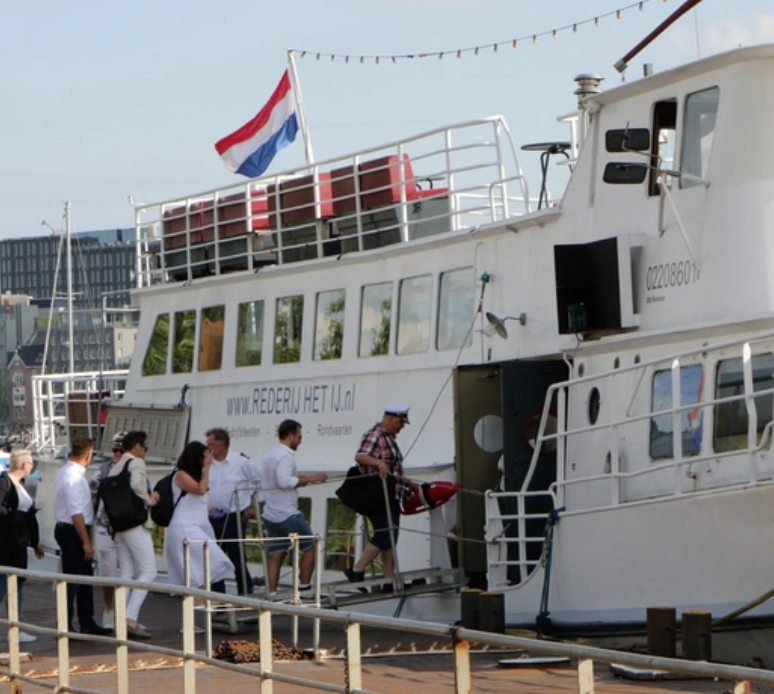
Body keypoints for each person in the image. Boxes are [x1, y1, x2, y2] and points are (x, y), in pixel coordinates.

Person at [344, 406, 411, 589]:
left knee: (390, 539)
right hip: (379, 495)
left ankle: (389, 580)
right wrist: (378, 462)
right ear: (391, 419)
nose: (402, 426)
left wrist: (406, 483)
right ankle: (357, 570)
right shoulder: (376, 435)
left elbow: (392, 469)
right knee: (386, 534)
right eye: (400, 422)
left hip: (391, 494)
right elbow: (360, 456)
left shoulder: (389, 438)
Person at [53, 437, 112, 635]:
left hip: (70, 529)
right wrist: (86, 542)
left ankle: (86, 621)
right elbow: (75, 512)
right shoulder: (74, 477)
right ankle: (67, 624)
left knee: (84, 578)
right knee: (74, 579)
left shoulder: (65, 471)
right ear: (88, 455)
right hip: (73, 530)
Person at [261, 419, 327, 597]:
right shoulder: (286, 456)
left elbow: (283, 478)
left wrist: (308, 478)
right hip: (287, 513)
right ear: (290, 436)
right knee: (310, 545)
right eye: (299, 437)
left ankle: (271, 594)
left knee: (276, 554)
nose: (300, 441)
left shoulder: (269, 456)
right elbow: (285, 481)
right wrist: (312, 479)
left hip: (270, 514)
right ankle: (304, 588)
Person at [105, 430, 158, 639]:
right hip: (135, 524)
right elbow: (137, 484)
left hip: (119, 526)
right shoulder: (135, 462)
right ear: (137, 446)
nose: (145, 452)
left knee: (126, 572)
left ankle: (120, 618)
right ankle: (130, 618)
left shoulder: (116, 466)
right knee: (149, 571)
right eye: (144, 447)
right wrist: (149, 500)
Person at [165, 441, 235, 595]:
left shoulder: (197, 476)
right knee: (202, 567)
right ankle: (200, 605)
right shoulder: (180, 475)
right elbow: (200, 490)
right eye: (204, 457)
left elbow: (194, 500)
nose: (206, 460)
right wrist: (208, 467)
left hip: (198, 525)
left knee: (201, 573)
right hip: (184, 527)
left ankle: (202, 605)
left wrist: (209, 508)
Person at [205, 427, 262, 595]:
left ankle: (245, 593)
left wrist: (253, 507)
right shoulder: (206, 463)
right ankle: (219, 597)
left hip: (234, 517)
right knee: (214, 558)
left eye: (210, 445)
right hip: (212, 517)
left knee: (237, 557)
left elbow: (261, 482)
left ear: (221, 445)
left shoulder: (240, 462)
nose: (207, 448)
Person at [0, 449, 44, 642]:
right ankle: (14, 630)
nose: (32, 467)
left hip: (18, 544)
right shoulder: (4, 482)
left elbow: (30, 515)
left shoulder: (20, 485)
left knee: (16, 584)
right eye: (32, 464)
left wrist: (35, 542)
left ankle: (15, 630)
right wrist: (14, 517)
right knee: (3, 584)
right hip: (5, 544)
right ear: (25, 465)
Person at [88, 431, 125, 629]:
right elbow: (91, 495)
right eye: (115, 449)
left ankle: (128, 614)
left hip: (128, 529)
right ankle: (109, 609)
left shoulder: (136, 470)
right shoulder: (101, 472)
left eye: (122, 450)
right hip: (105, 528)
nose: (117, 453)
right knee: (107, 571)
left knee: (130, 572)